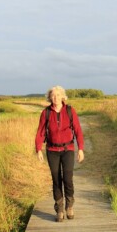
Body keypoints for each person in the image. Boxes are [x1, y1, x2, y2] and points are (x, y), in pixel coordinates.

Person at [35, 85, 85, 222]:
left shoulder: (70, 111)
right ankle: (59, 209)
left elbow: (78, 130)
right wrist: (38, 149)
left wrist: (81, 149)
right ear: (50, 97)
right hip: (52, 151)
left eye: (58, 95)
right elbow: (40, 132)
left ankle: (69, 206)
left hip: (68, 149)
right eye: (53, 95)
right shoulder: (46, 113)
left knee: (68, 178)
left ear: (63, 96)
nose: (55, 98)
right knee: (56, 179)